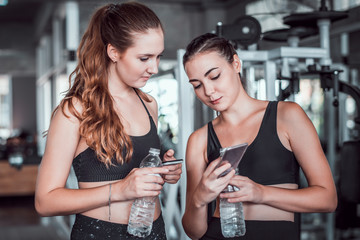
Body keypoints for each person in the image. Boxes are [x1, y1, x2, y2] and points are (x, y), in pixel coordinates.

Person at [34, 2, 182, 239]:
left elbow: (139, 172)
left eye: (158, 57)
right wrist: (122, 189)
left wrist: (162, 171)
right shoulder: (75, 110)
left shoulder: (149, 104)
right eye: (144, 58)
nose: (154, 68)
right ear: (113, 52)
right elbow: (45, 201)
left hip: (155, 231)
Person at [181, 33, 337, 240]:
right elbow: (194, 232)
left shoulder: (287, 115)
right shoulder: (198, 140)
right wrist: (199, 199)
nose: (208, 91)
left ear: (236, 63)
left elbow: (327, 199)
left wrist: (261, 193)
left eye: (214, 76)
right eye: (197, 85)